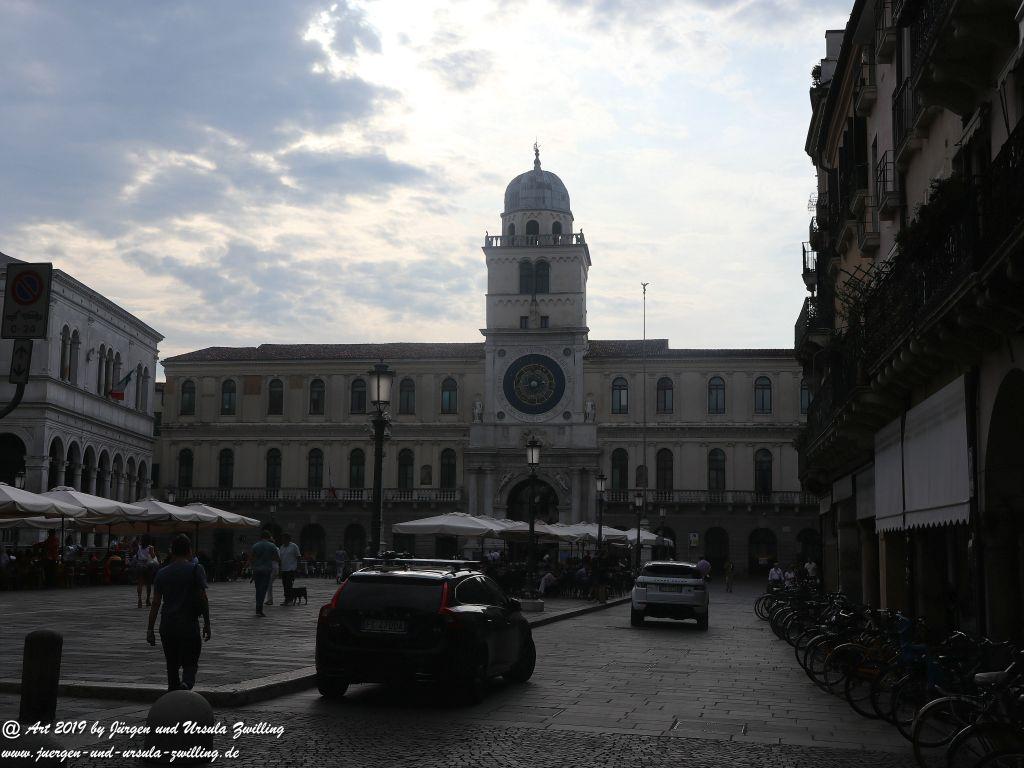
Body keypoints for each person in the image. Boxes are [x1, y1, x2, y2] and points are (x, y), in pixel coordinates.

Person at [147, 534, 211, 692]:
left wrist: (150, 629)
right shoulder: (196, 569)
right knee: (190, 663)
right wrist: (207, 624)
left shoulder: (162, 573)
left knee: (172, 666)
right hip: (189, 625)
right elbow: (203, 599)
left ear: (172, 552)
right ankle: (186, 685)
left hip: (168, 625)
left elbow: (155, 603)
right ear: (189, 551)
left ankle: (173, 698)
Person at [250, 530, 280, 616]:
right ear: (269, 537)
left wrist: (253, 568)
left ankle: (257, 607)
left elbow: (251, 558)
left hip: (256, 570)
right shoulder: (272, 545)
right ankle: (259, 609)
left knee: (258, 589)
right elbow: (276, 558)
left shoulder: (255, 545)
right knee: (263, 589)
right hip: (266, 570)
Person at [278, 533, 301, 605]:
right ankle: (287, 599)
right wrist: (280, 569)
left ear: (288, 539)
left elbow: (298, 557)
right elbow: (280, 559)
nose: (282, 540)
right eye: (282, 538)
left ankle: (289, 599)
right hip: (284, 569)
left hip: (291, 569)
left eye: (284, 538)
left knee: (289, 584)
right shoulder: (281, 547)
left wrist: (298, 568)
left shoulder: (294, 546)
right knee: (285, 585)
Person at [135, 535, 158, 608]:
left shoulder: (139, 547)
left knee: (140, 583)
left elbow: (137, 557)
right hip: (148, 566)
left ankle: (139, 600)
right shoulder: (150, 547)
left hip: (139, 566)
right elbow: (153, 556)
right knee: (148, 583)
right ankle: (147, 600)